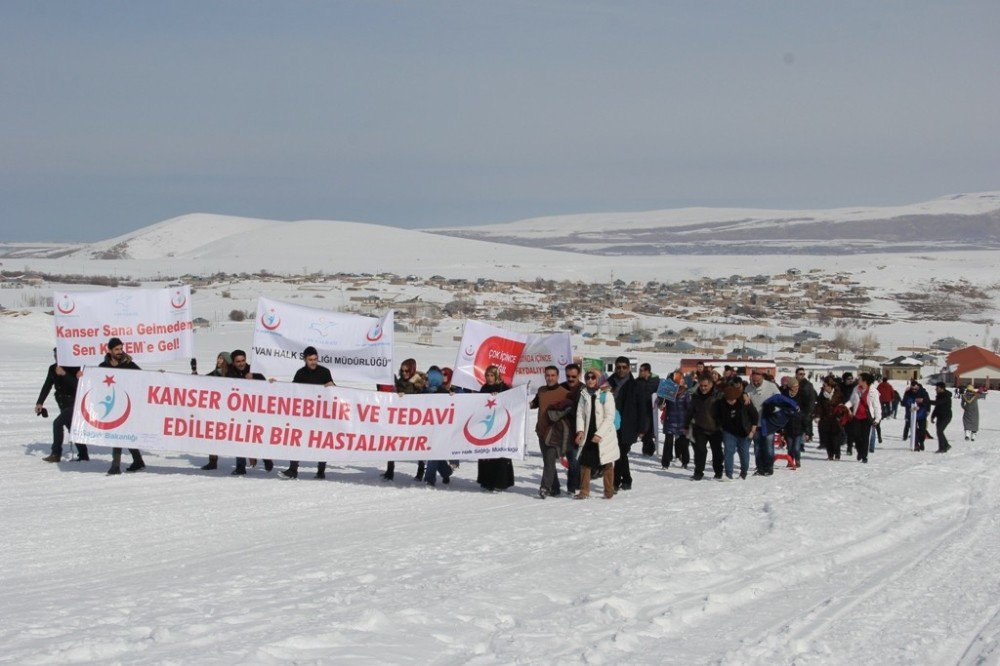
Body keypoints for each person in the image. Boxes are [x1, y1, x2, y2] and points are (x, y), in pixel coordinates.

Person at [281, 347, 335, 479]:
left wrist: (331, 386)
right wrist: (275, 385)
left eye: (315, 359)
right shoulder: (300, 373)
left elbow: (333, 389)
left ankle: (321, 471)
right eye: (310, 359)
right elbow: (292, 390)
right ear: (305, 359)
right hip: (304, 414)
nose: (313, 362)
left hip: (321, 414)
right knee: (297, 440)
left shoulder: (324, 371)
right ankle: (293, 469)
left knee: (321, 442)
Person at [100, 337, 146, 475]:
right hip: (111, 405)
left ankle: (115, 466)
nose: (120, 352)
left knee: (119, 434)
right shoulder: (103, 367)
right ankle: (138, 461)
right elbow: (96, 383)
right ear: (110, 350)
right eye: (117, 349)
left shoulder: (129, 364)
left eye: (121, 349)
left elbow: (145, 378)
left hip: (127, 405)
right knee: (122, 434)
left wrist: (159, 376)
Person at [225, 349, 273, 475]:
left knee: (257, 437)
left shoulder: (255, 371)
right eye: (238, 361)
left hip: (256, 412)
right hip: (239, 413)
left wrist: (255, 380)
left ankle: (266, 458)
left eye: (243, 361)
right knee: (239, 438)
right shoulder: (230, 374)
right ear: (234, 362)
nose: (241, 364)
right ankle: (240, 466)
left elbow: (267, 388)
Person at [574, 370, 619, 499]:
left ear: (598, 379)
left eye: (593, 377)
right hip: (589, 433)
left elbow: (610, 417)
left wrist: (600, 434)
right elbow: (580, 414)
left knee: (607, 463)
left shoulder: (606, 394)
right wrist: (580, 431)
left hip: (604, 435)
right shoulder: (584, 394)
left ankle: (608, 490)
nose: (590, 380)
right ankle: (584, 491)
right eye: (587, 377)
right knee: (585, 463)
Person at [36, 347, 86, 462]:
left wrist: (64, 374)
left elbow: (78, 385)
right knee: (71, 427)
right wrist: (40, 402)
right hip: (61, 401)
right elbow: (47, 385)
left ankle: (56, 453)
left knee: (57, 423)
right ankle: (83, 454)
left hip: (73, 402)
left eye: (59, 355)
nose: (56, 357)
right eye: (55, 355)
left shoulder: (74, 368)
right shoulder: (53, 368)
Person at [608, 356, 649, 491]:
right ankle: (627, 479)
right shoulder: (608, 383)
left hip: (628, 425)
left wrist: (642, 428)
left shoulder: (636, 385)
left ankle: (615, 482)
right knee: (620, 453)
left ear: (629, 368)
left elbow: (642, 408)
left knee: (621, 452)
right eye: (618, 367)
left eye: (624, 367)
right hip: (611, 424)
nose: (621, 370)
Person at [529, 365, 570, 498]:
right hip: (541, 431)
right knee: (548, 461)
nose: (550, 378)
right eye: (548, 375)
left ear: (558, 376)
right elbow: (535, 403)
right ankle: (556, 488)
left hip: (554, 433)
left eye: (553, 375)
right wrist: (527, 402)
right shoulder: (541, 390)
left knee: (550, 460)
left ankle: (545, 487)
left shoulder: (564, 392)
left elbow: (569, 412)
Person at [382, 359, 423, 481]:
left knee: (418, 445)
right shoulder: (399, 382)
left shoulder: (419, 383)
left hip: (415, 420)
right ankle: (390, 471)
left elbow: (424, 398)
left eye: (407, 370)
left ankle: (421, 470)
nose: (404, 373)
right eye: (402, 370)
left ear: (412, 370)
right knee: (392, 443)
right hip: (400, 419)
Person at [476, 365, 515, 492]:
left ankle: (500, 482)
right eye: (487, 375)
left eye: (491, 375)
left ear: (496, 376)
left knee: (499, 455)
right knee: (486, 454)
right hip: (486, 425)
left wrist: (499, 397)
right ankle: (486, 481)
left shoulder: (503, 387)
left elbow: (510, 402)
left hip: (500, 425)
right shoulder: (484, 388)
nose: (489, 378)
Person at [712, 383, 758, 479]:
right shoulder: (720, 403)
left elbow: (755, 416)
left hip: (744, 432)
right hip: (728, 432)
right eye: (729, 400)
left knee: (744, 453)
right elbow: (715, 415)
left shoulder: (745, 403)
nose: (731, 402)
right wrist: (719, 426)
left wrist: (752, 431)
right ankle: (729, 474)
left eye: (733, 399)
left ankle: (743, 472)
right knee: (728, 451)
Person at [423, 366, 455, 487]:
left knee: (433, 452)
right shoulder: (424, 392)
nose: (425, 381)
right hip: (427, 426)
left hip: (440, 428)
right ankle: (446, 471)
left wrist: (453, 397)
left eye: (427, 378)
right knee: (434, 453)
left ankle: (429, 479)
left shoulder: (445, 393)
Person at [200, 351, 232, 471]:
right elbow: (197, 382)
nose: (219, 360)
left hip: (230, 412)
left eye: (222, 359)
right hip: (215, 411)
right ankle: (212, 461)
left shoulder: (232, 375)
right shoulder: (213, 374)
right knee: (212, 436)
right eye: (218, 358)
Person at [688, 373, 723, 480]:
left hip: (715, 428)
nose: (703, 388)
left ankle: (718, 472)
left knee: (717, 451)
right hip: (700, 428)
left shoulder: (719, 395)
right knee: (700, 451)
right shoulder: (695, 396)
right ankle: (698, 472)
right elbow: (691, 411)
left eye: (705, 386)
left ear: (711, 384)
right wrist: (686, 424)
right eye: (701, 385)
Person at [814, 376, 850, 460]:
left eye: (825, 385)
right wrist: (817, 416)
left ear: (830, 386)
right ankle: (830, 455)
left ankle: (837, 454)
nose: (824, 387)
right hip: (825, 420)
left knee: (835, 439)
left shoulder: (838, 394)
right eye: (823, 385)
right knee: (827, 439)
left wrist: (840, 416)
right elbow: (819, 406)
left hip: (836, 420)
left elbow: (842, 406)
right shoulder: (822, 395)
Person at [847, 372, 880, 463]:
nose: (858, 380)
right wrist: (845, 407)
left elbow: (876, 405)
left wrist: (877, 418)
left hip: (867, 417)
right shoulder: (856, 389)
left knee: (865, 437)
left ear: (865, 381)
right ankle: (859, 451)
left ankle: (864, 456)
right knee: (856, 435)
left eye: (860, 379)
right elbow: (852, 401)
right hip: (857, 416)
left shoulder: (873, 391)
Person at [660, 380, 692, 469]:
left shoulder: (686, 394)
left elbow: (689, 408)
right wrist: (661, 404)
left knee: (683, 443)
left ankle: (685, 462)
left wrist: (689, 422)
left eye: (680, 386)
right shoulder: (668, 392)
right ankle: (665, 463)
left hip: (682, 422)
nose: (678, 388)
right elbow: (660, 403)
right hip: (670, 421)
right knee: (668, 443)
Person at [780, 377, 811, 467]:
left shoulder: (802, 395)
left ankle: (797, 460)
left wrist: (807, 431)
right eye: (794, 386)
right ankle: (790, 461)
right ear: (790, 386)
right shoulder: (785, 395)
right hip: (788, 425)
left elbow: (806, 409)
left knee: (796, 448)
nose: (796, 387)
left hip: (799, 425)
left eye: (797, 386)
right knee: (789, 447)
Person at [636, 363, 660, 456]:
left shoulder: (655, 381)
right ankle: (648, 449)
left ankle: (648, 449)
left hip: (651, 409)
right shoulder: (638, 381)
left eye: (641, 370)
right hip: (640, 409)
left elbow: (661, 393)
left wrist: (660, 401)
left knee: (648, 429)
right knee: (643, 429)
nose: (640, 372)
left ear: (647, 371)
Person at [931, 381, 952, 453]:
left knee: (940, 431)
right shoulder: (939, 395)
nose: (935, 389)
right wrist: (933, 416)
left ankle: (943, 448)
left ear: (942, 388)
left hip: (946, 416)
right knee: (939, 432)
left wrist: (924, 400)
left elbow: (938, 403)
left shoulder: (946, 395)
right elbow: (937, 407)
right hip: (939, 416)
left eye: (937, 388)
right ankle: (945, 446)